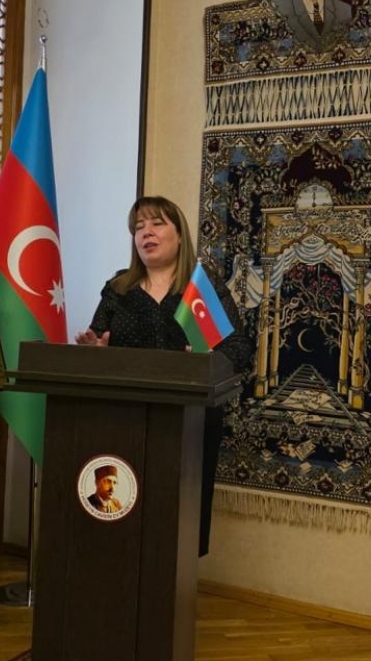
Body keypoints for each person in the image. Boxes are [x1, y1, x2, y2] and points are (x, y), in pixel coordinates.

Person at [75, 195, 251, 554]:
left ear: (179, 235)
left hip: (188, 423)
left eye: (157, 224)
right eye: (138, 227)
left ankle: (174, 580)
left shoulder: (199, 289)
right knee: (124, 518)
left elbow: (238, 349)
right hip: (124, 421)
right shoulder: (119, 289)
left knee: (175, 528)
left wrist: (203, 360)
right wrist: (96, 352)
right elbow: (99, 340)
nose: (146, 233)